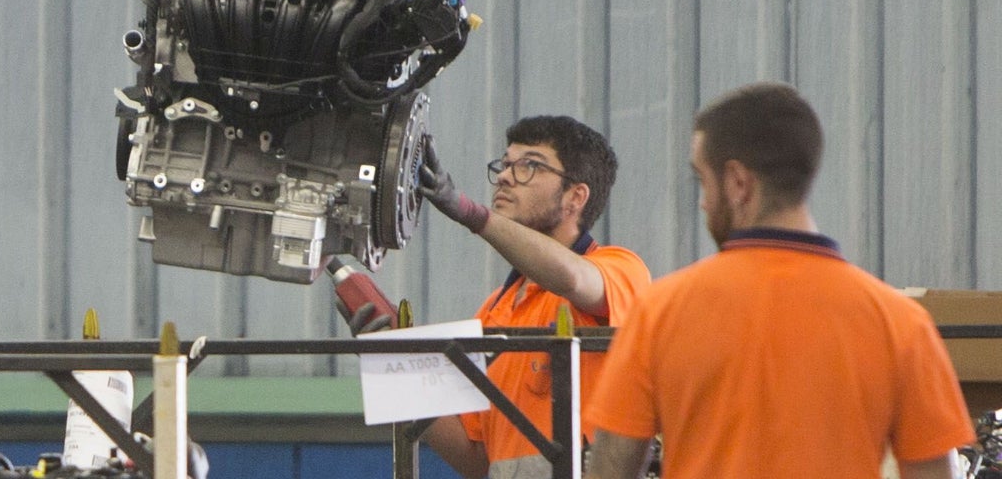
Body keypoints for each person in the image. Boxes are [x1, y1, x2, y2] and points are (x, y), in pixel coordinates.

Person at [584, 82, 974, 479]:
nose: (703, 202)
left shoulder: (661, 311)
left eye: (703, 181)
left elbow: (610, 469)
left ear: (737, 183)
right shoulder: (900, 323)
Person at [409, 115, 651, 478]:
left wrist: (474, 215)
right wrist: (397, 363)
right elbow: (479, 460)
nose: (506, 176)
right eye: (505, 164)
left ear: (575, 197)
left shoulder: (620, 269)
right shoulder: (495, 308)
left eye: (530, 166)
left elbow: (571, 277)